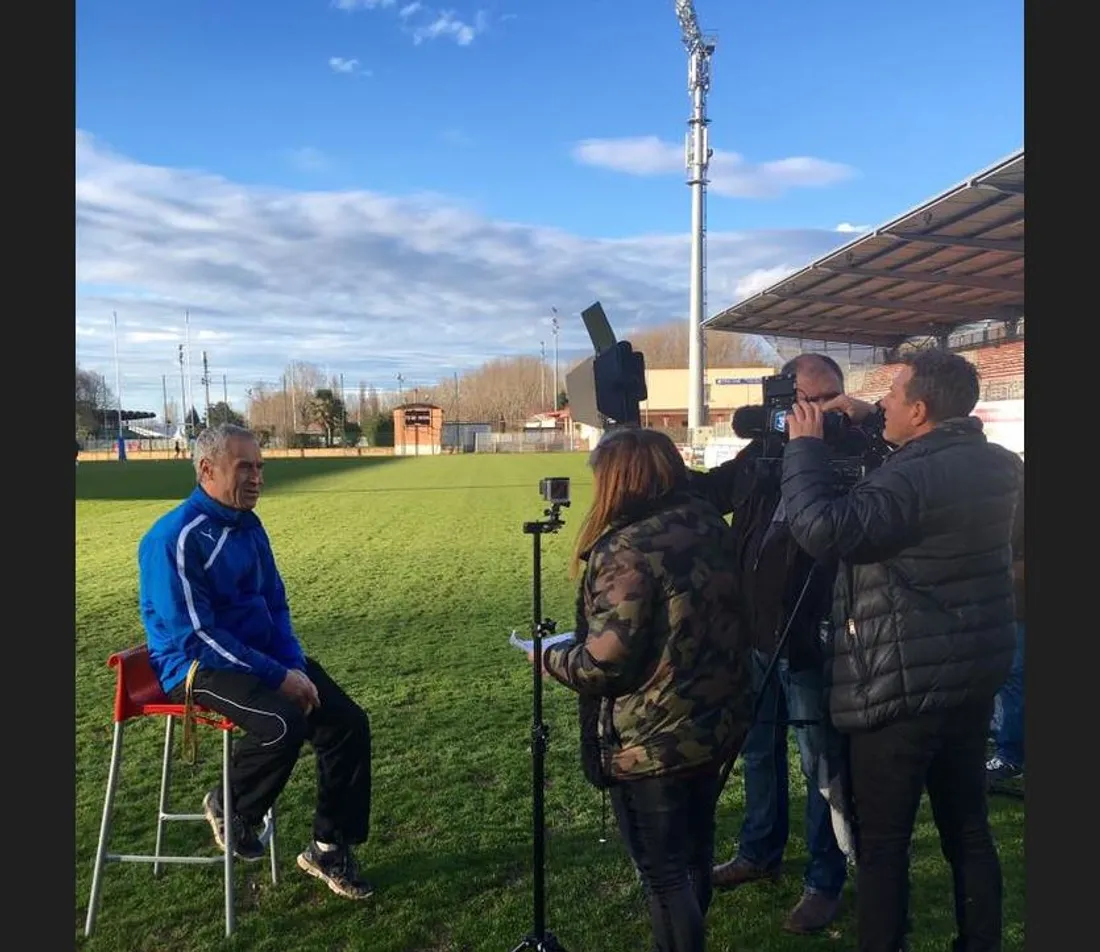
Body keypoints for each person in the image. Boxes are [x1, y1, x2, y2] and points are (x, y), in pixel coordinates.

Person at [780, 349, 1021, 952]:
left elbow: (824, 529)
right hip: (968, 677)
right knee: (967, 827)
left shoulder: (911, 476)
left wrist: (804, 448)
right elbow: (925, 488)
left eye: (892, 394)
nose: (881, 401)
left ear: (918, 410)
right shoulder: (998, 465)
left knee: (884, 842)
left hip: (902, 684)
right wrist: (871, 423)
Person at [690, 354, 886, 934]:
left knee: (821, 765)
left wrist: (869, 421)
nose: (814, 412)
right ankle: (758, 852)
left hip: (812, 636)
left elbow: (902, 466)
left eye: (827, 399)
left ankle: (824, 880)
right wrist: (642, 454)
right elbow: (709, 491)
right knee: (757, 753)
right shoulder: (763, 454)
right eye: (804, 400)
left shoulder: (858, 453)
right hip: (753, 632)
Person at [137, 423, 374, 900]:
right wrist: (276, 677)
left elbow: (275, 603)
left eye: (261, 467)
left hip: (260, 657)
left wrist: (293, 667)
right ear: (207, 469)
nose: (257, 477)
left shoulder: (248, 525)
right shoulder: (174, 539)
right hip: (194, 666)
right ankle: (231, 803)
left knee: (348, 722)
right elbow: (196, 635)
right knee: (284, 723)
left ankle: (328, 847)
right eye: (245, 466)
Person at [540, 427, 752, 952]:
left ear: (620, 480)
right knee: (694, 855)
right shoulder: (707, 522)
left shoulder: (627, 548)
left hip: (651, 741)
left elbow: (604, 664)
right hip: (714, 721)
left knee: (664, 875)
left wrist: (547, 658)